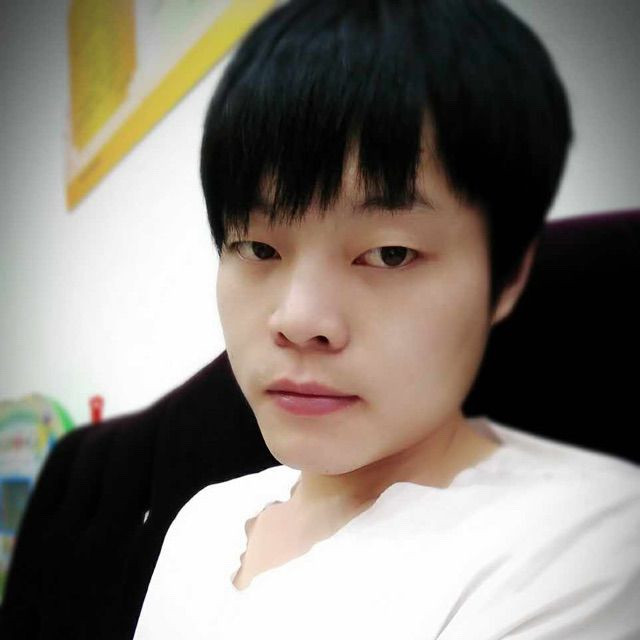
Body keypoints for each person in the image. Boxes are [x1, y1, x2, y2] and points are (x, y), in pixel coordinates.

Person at [133, 1, 640, 638]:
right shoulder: (204, 521)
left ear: (507, 275)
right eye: (258, 247)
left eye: (390, 253)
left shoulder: (579, 546)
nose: (299, 321)